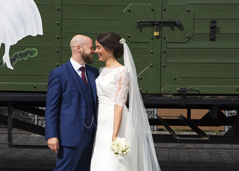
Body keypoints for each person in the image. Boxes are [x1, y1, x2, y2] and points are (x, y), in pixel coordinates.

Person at [90, 32, 161, 171]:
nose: (95, 51)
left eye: (98, 47)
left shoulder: (122, 72)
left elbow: (119, 103)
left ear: (109, 49)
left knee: (113, 162)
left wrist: (115, 134)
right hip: (102, 119)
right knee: (100, 159)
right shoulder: (102, 70)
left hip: (115, 121)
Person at [45, 35, 99, 171]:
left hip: (91, 135)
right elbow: (51, 108)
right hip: (69, 136)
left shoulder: (94, 73)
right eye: (91, 48)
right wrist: (52, 135)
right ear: (79, 48)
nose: (93, 51)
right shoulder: (59, 74)